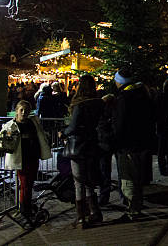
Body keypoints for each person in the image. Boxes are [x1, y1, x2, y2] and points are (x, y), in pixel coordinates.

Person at [61, 74, 105, 228]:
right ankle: (95, 211)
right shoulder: (99, 103)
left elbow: (73, 127)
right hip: (92, 144)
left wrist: (64, 132)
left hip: (78, 145)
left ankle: (81, 217)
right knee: (88, 181)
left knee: (79, 181)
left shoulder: (80, 105)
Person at [0, 100, 51, 229]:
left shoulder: (33, 122)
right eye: (21, 110)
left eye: (26, 110)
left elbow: (40, 134)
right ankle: (24, 209)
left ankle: (25, 207)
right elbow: (2, 140)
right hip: (22, 159)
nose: (23, 113)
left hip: (33, 157)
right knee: (25, 184)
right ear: (16, 111)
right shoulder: (11, 125)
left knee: (29, 183)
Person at [112, 67, 156, 221]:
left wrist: (116, 141)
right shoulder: (143, 94)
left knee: (128, 178)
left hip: (128, 144)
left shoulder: (124, 98)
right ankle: (136, 205)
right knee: (137, 177)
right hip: (142, 142)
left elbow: (120, 124)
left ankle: (133, 210)